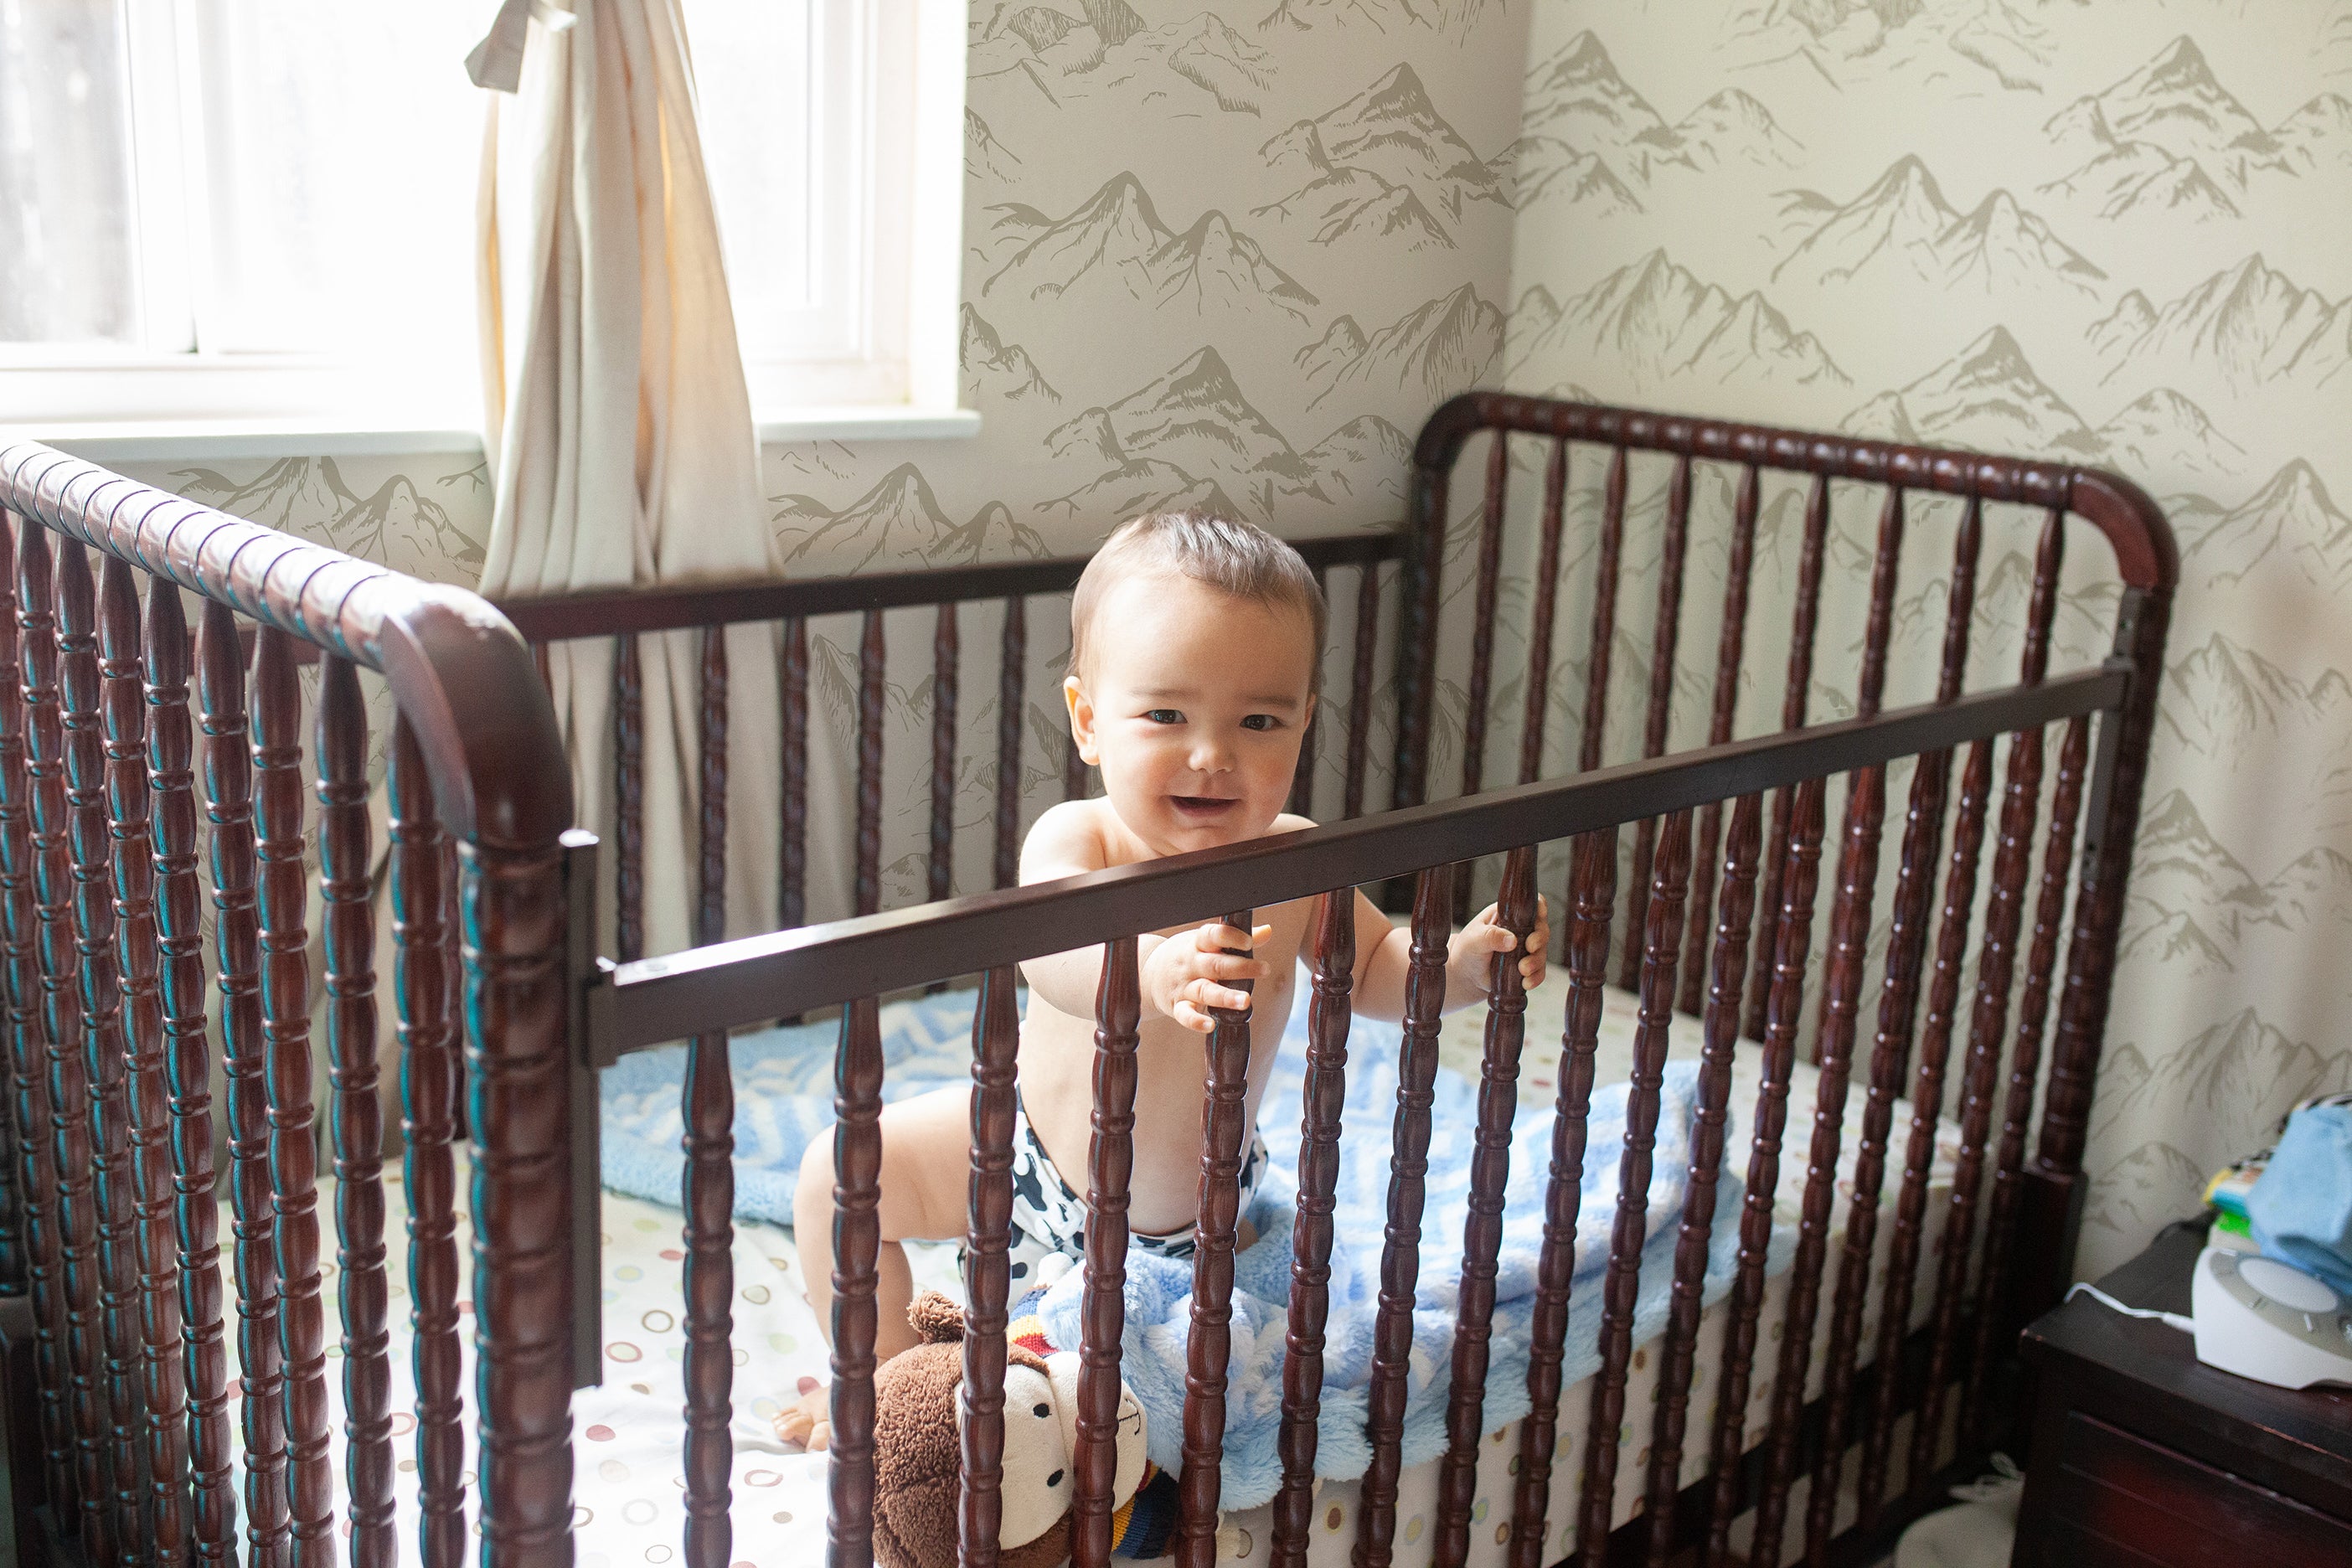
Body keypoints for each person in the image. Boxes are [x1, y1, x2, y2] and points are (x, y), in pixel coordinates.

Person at [779, 511, 1547, 1450]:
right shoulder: (1081, 840)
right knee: (838, 1176)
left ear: (1304, 723)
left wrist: (1463, 969)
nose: (1212, 754)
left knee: (1150, 1415)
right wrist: (1145, 968)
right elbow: (1048, 954)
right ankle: (892, 1390)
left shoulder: (1296, 862)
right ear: (1090, 721)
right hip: (1028, 1162)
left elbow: (1381, 973)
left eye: (1258, 720)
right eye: (1167, 715)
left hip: (1181, 1225)